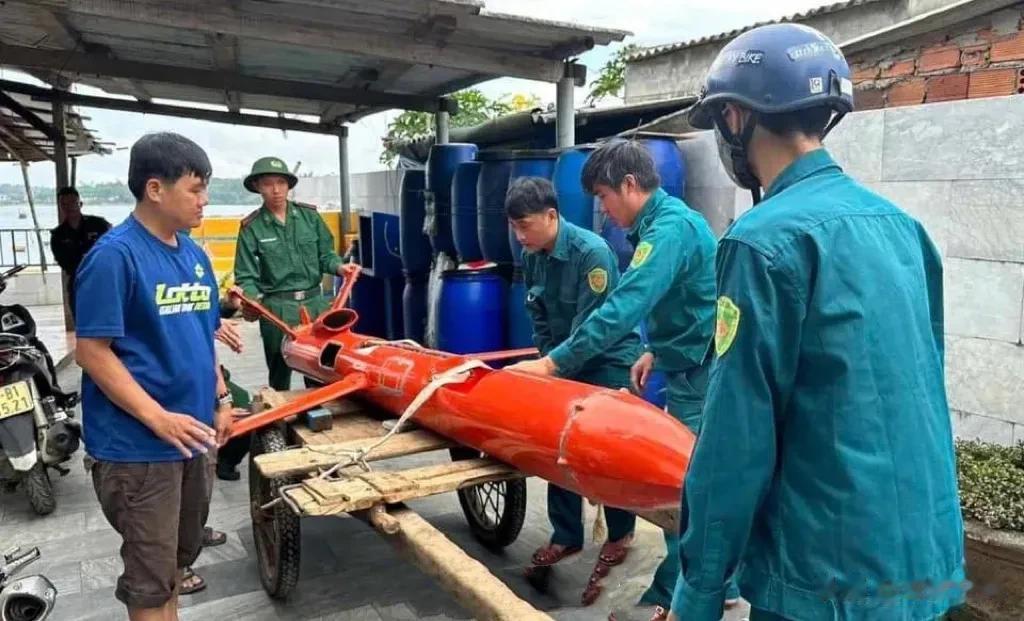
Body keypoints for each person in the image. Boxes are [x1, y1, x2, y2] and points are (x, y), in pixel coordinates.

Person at [669, 23, 967, 621]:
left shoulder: (763, 242)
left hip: (823, 577)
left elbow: (735, 440)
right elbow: (921, 390)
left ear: (734, 118)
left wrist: (697, 594)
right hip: (924, 565)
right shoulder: (904, 229)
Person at [506, 140, 735, 621]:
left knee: (678, 482)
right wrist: (657, 348)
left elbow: (625, 305)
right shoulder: (662, 224)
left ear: (630, 186)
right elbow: (691, 296)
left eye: (605, 198)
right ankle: (718, 582)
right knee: (694, 473)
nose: (604, 212)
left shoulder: (668, 230)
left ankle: (677, 592)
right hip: (685, 356)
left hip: (699, 367)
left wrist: (550, 366)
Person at [74, 132, 236, 621]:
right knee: (148, 583)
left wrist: (221, 398)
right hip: (139, 450)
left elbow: (202, 331)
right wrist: (157, 418)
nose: (204, 200)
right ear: (155, 189)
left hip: (192, 438)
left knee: (171, 569)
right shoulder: (114, 257)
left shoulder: (191, 254)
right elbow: (92, 353)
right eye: (195, 188)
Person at [506, 176, 645, 606]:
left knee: (608, 453)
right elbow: (540, 318)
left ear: (552, 216)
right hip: (563, 361)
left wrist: (553, 368)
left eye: (525, 226)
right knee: (556, 449)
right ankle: (567, 534)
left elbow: (594, 331)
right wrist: (550, 364)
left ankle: (620, 533)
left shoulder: (592, 254)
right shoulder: (532, 254)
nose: (519, 235)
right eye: (514, 227)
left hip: (607, 361)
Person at [233, 156, 348, 391]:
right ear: (257, 187)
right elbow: (246, 276)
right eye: (268, 184)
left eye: (281, 183)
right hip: (277, 308)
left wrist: (340, 267)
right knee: (279, 374)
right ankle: (281, 424)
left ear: (288, 185)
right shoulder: (251, 227)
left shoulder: (310, 217)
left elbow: (325, 255)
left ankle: (319, 418)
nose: (276, 190)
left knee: (320, 369)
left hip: (315, 304)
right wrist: (253, 301)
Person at [49, 186, 111, 318]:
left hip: (103, 280)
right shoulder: (58, 235)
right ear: (60, 206)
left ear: (80, 204)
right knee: (82, 322)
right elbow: (64, 262)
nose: (69, 207)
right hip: (79, 282)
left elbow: (114, 248)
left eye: (72, 202)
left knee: (110, 321)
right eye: (64, 204)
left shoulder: (99, 224)